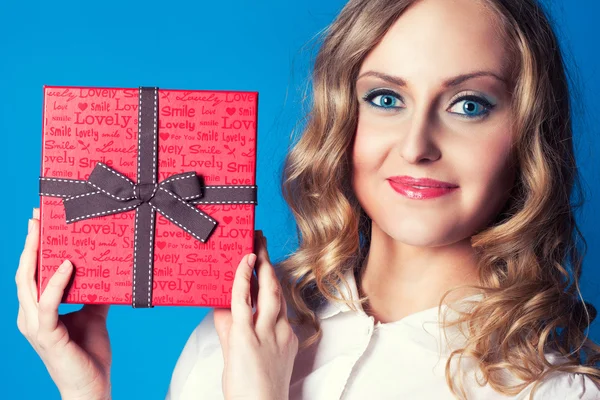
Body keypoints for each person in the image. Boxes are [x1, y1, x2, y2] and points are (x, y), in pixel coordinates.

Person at [15, 0, 600, 398]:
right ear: (343, 119)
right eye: (386, 100)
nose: (417, 146)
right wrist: (86, 392)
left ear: (528, 132)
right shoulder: (235, 336)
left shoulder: (556, 393)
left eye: (469, 104)